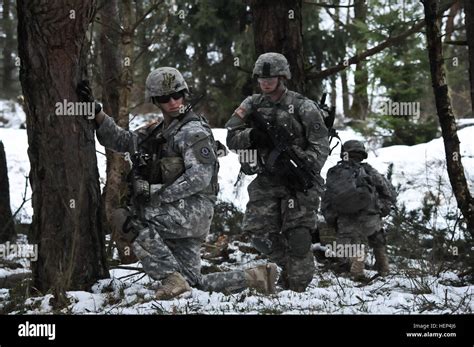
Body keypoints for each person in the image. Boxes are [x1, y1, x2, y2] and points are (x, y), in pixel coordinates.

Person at [77, 67, 277, 300]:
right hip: (179, 214)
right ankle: (257, 277)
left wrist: (155, 192)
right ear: (156, 101)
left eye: (177, 95)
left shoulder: (193, 132)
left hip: (191, 211)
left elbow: (199, 178)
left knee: (128, 219)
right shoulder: (158, 131)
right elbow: (122, 140)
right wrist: (97, 114)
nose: (173, 102)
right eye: (164, 98)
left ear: (185, 94)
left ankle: (170, 279)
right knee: (194, 283)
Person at [225, 53, 330, 292]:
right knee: (258, 233)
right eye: (262, 77)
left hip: (299, 179)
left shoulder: (303, 105)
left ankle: (299, 287)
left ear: (283, 77)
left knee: (299, 236)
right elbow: (231, 137)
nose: (266, 81)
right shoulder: (251, 104)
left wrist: (303, 166)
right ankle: (287, 266)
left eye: (271, 76)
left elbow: (320, 145)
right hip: (267, 178)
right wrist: (251, 135)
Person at [321, 140, 397, 280]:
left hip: (345, 217)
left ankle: (356, 270)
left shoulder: (335, 172)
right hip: (370, 215)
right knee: (378, 241)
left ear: (344, 153)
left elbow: (327, 197)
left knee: (351, 245)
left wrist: (331, 218)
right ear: (362, 154)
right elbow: (387, 190)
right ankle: (384, 269)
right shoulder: (369, 170)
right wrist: (382, 208)